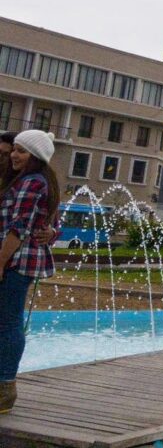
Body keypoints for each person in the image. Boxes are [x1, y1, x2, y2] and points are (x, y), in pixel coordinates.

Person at [0, 130, 59, 414]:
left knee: (8, 322)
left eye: (21, 151)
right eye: (14, 150)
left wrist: (0, 262)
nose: (13, 155)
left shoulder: (31, 182)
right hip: (17, 260)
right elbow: (43, 222)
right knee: (8, 321)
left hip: (14, 261)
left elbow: (19, 226)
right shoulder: (31, 181)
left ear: (35, 156)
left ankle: (5, 388)